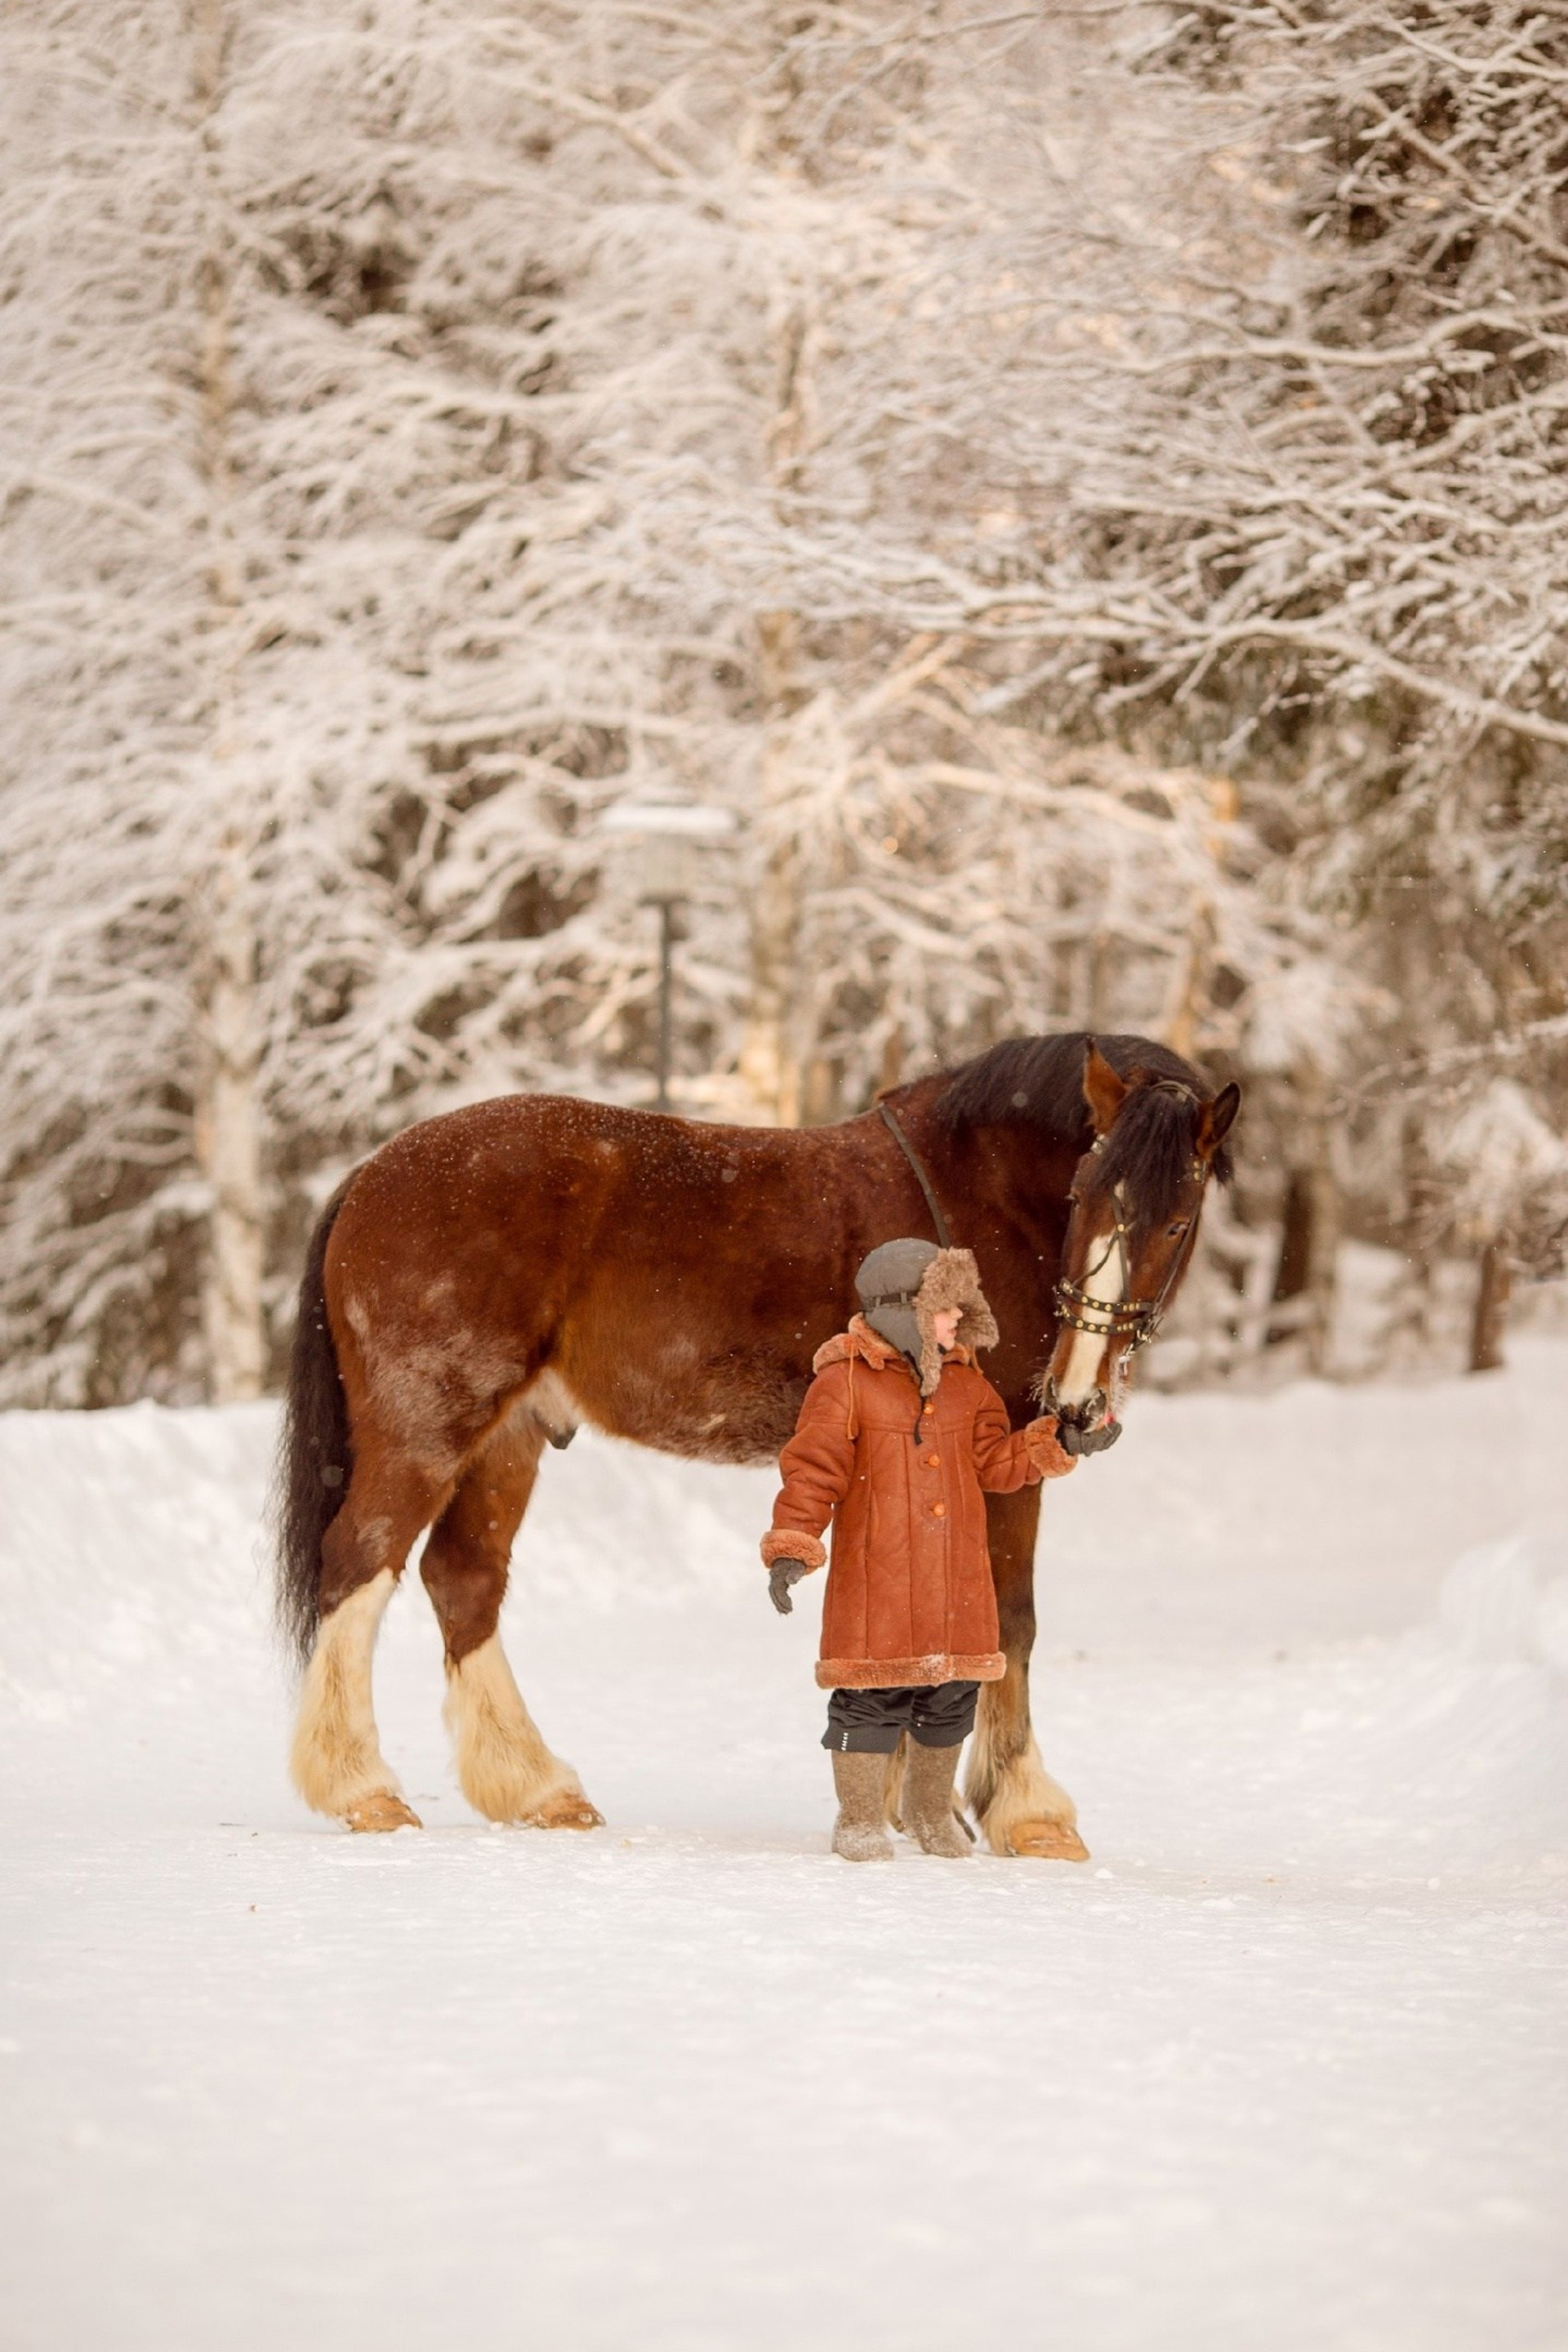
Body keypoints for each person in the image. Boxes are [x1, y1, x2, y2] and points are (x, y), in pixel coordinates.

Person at [761, 1238, 1076, 1862]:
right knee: (869, 1699)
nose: (957, 1319)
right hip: (880, 1579)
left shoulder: (967, 1385)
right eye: (943, 1306)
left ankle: (930, 1811)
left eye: (961, 1307)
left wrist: (1051, 1443)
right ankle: (858, 1818)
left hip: (957, 1580)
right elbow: (812, 1470)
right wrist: (793, 1545)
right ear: (901, 1309)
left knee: (952, 1693)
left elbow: (993, 1462)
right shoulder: (845, 1384)